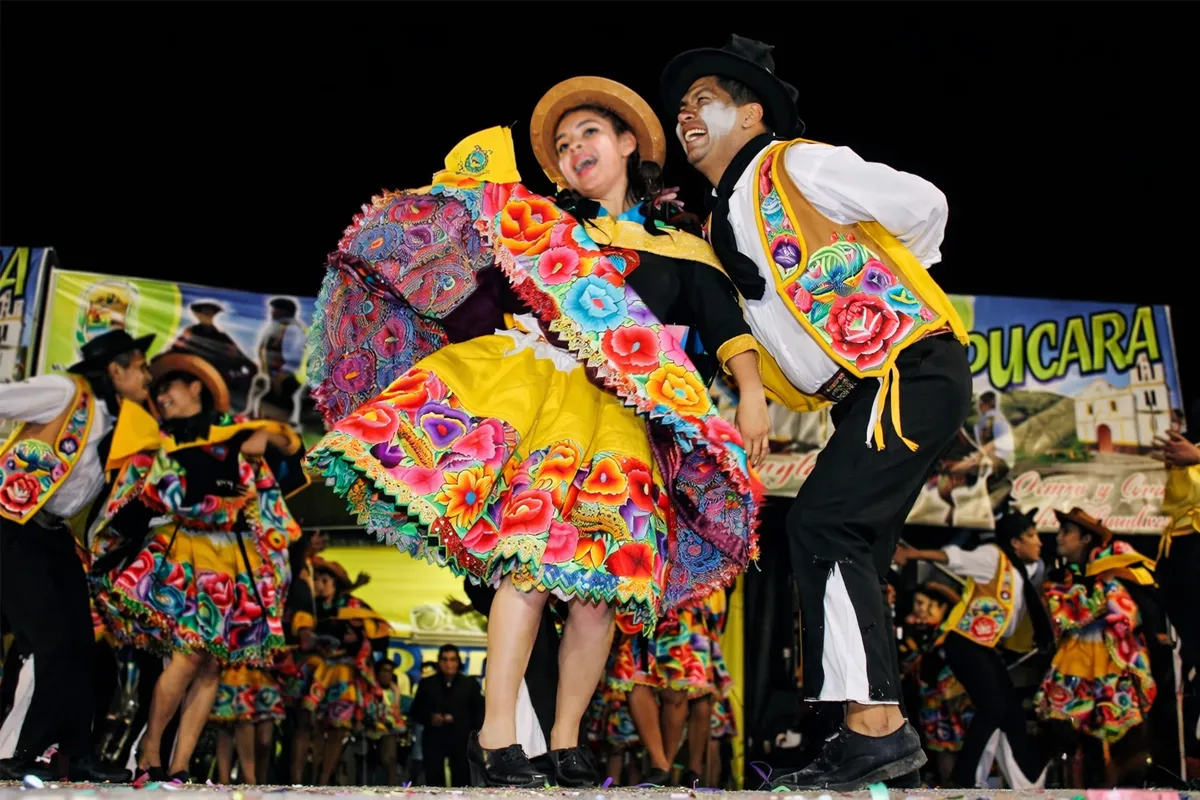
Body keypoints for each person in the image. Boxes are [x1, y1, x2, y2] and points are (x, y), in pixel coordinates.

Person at [306, 80, 765, 787]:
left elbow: (724, 327)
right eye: (561, 143)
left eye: (588, 133)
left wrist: (755, 398)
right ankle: (495, 740)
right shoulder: (546, 231)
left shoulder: (681, 246)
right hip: (540, 404)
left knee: (600, 586)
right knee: (525, 564)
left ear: (625, 144)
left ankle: (565, 742)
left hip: (622, 425)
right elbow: (470, 291)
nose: (574, 148)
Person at [660, 34, 973, 790]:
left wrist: (885, 285)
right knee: (844, 541)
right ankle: (865, 732)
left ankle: (876, 731)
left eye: (703, 100)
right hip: (863, 392)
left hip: (902, 367)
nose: (684, 117)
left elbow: (924, 205)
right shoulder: (720, 218)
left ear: (752, 111)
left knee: (824, 525)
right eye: (680, 108)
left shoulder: (793, 164)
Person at [89, 352, 301, 783]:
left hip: (233, 560)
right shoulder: (158, 438)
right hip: (180, 552)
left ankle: (180, 764)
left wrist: (269, 437)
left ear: (196, 388)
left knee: (210, 663)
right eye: (157, 390)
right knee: (188, 657)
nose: (161, 396)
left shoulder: (235, 432)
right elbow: (151, 496)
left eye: (169, 387)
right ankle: (151, 751)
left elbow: (287, 454)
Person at [0, 328, 154, 782]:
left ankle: (78, 753)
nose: (147, 376)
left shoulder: (120, 421)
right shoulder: (66, 391)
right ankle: (20, 754)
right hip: (12, 523)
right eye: (141, 366)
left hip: (52, 534)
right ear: (115, 370)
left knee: (81, 646)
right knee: (50, 640)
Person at [894, 502, 1053, 788]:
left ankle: (1026, 776)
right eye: (1032, 535)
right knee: (993, 706)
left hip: (983, 646)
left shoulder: (1021, 572)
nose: (1040, 541)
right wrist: (914, 553)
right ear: (1015, 542)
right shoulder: (993, 557)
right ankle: (963, 778)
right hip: (963, 643)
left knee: (1010, 710)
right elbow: (954, 558)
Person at [409, 644, 483, 788]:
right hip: (434, 738)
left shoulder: (469, 685)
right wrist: (431, 718)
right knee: (434, 781)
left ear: (458, 662)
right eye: (445, 660)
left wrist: (460, 721)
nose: (449, 664)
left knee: (462, 781)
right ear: (438, 662)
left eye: (452, 660)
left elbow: (479, 713)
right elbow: (416, 711)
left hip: (461, 740)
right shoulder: (427, 684)